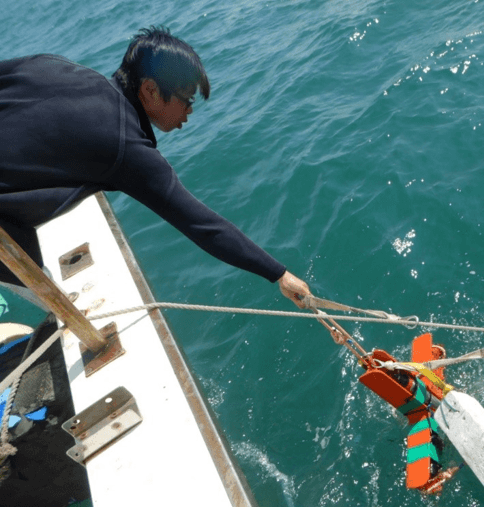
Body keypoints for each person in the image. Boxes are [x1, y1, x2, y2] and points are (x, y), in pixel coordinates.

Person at [0, 26, 310, 307]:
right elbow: (202, 225)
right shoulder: (124, 147)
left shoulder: (53, 65)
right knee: (40, 284)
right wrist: (279, 275)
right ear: (150, 90)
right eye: (186, 100)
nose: (188, 113)